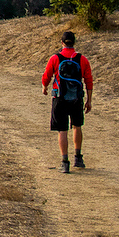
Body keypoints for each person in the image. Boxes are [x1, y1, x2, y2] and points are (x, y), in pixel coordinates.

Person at [41, 30, 93, 173]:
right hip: (77, 98)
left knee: (62, 130)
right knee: (77, 126)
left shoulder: (55, 58)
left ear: (62, 43)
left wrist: (44, 87)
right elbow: (88, 80)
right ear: (74, 43)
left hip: (60, 97)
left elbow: (47, 75)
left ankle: (65, 162)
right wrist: (89, 100)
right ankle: (78, 157)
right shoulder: (82, 59)